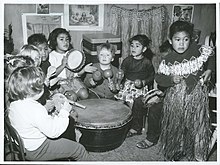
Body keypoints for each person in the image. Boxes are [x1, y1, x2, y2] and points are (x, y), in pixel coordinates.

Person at [155, 20, 215, 161]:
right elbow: (159, 78)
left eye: (185, 39)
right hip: (176, 100)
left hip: (197, 98)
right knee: (177, 127)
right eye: (177, 40)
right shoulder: (168, 60)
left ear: (191, 39)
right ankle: (177, 149)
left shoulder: (198, 50)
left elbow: (212, 55)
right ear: (170, 40)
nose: (181, 43)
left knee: (199, 126)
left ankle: (199, 155)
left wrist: (209, 70)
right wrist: (170, 80)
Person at [7, 66, 89, 161]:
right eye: (41, 85)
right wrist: (64, 111)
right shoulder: (36, 109)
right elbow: (54, 132)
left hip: (24, 146)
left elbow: (30, 117)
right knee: (79, 150)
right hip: (38, 149)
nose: (43, 86)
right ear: (34, 90)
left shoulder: (13, 104)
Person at [126, 40, 171, 149]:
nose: (165, 60)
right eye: (164, 58)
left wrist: (161, 97)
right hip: (161, 94)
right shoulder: (164, 66)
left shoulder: (181, 67)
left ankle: (151, 138)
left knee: (155, 109)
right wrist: (156, 93)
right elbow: (158, 83)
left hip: (171, 99)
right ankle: (136, 128)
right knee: (138, 100)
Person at [115, 34, 155, 108]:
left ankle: (134, 119)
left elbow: (152, 76)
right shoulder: (127, 60)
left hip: (139, 88)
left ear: (144, 49)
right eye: (132, 45)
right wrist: (119, 79)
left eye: (137, 46)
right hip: (127, 86)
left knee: (133, 106)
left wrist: (144, 82)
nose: (133, 48)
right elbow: (122, 73)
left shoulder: (147, 62)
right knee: (119, 105)